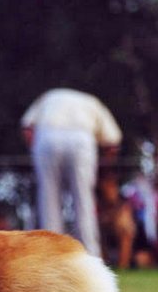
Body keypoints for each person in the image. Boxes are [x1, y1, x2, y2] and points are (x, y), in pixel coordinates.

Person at [21, 88, 122, 256]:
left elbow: (28, 129)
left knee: (48, 200)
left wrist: (37, 154)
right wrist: (103, 168)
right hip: (81, 138)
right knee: (83, 200)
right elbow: (112, 141)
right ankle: (91, 257)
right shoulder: (92, 102)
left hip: (47, 136)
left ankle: (50, 256)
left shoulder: (49, 96)